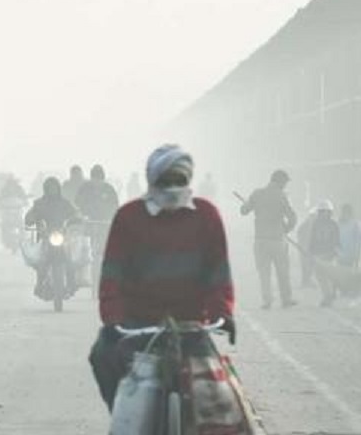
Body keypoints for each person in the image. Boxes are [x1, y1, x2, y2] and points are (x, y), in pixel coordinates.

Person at [89, 144, 235, 411]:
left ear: (189, 180)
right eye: (164, 181)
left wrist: (223, 313)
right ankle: (120, 411)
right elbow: (112, 277)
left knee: (224, 399)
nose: (171, 188)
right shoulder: (129, 217)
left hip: (190, 327)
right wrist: (113, 320)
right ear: (151, 181)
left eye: (178, 180)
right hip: (137, 326)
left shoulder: (207, 216)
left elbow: (218, 274)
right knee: (101, 356)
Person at [240, 169, 298, 309]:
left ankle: (267, 300)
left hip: (260, 239)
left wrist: (249, 203)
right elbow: (292, 217)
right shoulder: (282, 195)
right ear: (280, 181)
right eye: (285, 182)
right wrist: (286, 229)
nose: (285, 185)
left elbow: (243, 211)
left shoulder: (257, 193)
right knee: (282, 271)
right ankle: (286, 299)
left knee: (264, 272)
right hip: (278, 239)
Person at [24, 177, 82, 297]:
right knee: (42, 263)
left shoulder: (64, 203)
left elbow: (75, 212)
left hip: (62, 236)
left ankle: (72, 284)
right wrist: (30, 219)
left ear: (58, 189)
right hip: (45, 237)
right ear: (45, 189)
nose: (52, 190)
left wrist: (77, 218)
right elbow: (30, 215)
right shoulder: (39, 204)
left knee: (70, 260)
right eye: (50, 188)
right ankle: (39, 284)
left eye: (54, 188)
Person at [307, 200, 341, 306]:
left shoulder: (332, 224)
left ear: (329, 212)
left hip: (328, 254)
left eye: (324, 212)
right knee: (321, 277)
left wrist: (334, 252)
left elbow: (336, 240)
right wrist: (310, 252)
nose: (322, 214)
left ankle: (329, 296)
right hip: (319, 254)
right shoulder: (318, 224)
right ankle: (328, 295)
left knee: (326, 276)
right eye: (320, 212)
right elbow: (312, 239)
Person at [338, 203, 361, 269]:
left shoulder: (356, 224)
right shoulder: (339, 223)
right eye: (343, 212)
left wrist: (357, 259)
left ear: (350, 213)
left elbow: (359, 242)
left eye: (347, 212)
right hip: (339, 256)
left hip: (350, 257)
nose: (344, 214)